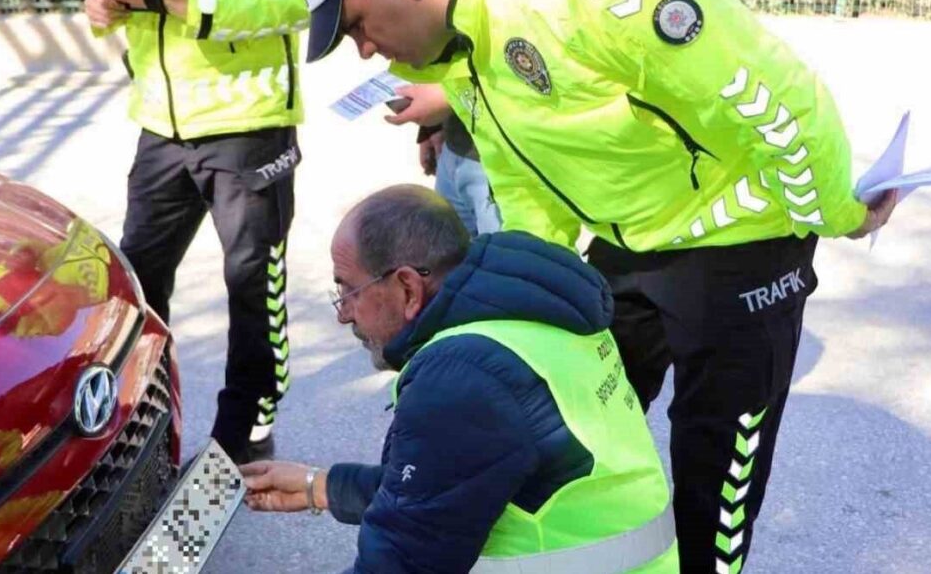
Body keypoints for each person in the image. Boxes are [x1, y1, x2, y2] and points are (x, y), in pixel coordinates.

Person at [285, 0, 899, 570]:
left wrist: (842, 212)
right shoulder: (459, 46)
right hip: (625, 241)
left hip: (741, 247)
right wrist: (516, 302)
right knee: (571, 432)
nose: (363, 51)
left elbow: (776, 100)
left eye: (354, 26)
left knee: (713, 480)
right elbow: (525, 175)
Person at [242, 184, 678, 573]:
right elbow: (448, 483)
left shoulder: (466, 375)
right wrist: (317, 486)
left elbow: (403, 556)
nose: (343, 314)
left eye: (347, 289)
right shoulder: (528, 312)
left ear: (408, 288)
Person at [84, 0, 309, 463]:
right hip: (160, 126)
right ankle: (140, 417)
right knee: (137, 278)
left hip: (248, 125)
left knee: (254, 280)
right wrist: (100, 8)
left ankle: (248, 426)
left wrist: (198, 2)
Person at [413, 106, 501, 237]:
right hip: (453, 148)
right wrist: (431, 127)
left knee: (503, 250)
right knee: (447, 245)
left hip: (496, 164)